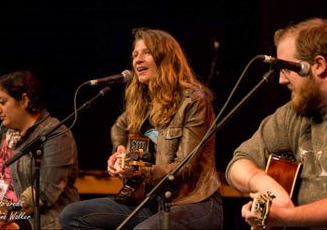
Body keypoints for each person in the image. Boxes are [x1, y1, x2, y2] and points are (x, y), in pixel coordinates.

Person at [59, 28, 223, 229]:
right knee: (72, 215)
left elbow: (184, 168)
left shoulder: (194, 100)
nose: (137, 59)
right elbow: (118, 127)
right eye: (135, 54)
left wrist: (137, 170)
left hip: (193, 202)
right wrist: (120, 151)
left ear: (166, 57)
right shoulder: (143, 102)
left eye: (147, 52)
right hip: (151, 201)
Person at [225, 17, 327, 229]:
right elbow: (238, 163)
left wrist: (287, 217)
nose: (281, 80)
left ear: (318, 65)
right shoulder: (293, 114)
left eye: (286, 68)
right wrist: (262, 182)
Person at [0, 70, 80, 229]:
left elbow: (44, 193)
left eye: (2, 102)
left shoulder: (57, 134)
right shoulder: (2, 134)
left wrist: (2, 220)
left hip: (41, 219)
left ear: (24, 100)